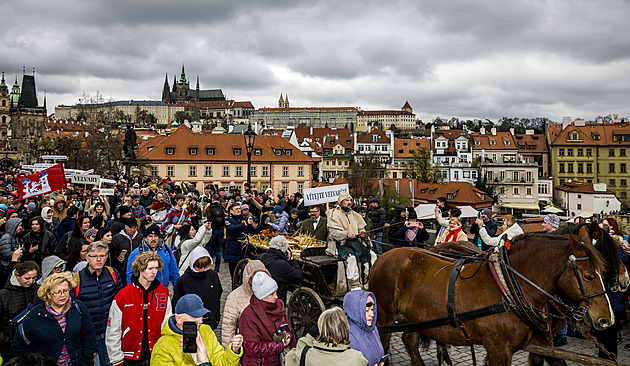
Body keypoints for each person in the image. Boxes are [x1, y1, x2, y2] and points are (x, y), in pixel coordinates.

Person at [11, 272, 97, 366]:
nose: (63, 295)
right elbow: (19, 346)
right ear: (48, 294)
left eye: (65, 290)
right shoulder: (35, 315)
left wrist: (85, 358)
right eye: (57, 292)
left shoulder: (78, 307)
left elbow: (88, 335)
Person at [106, 251, 172, 366]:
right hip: (130, 357)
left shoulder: (163, 293)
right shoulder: (123, 295)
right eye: (150, 268)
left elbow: (167, 324)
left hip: (157, 354)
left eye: (156, 268)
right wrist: (117, 360)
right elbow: (113, 331)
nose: (154, 272)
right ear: (140, 269)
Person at [151, 294, 243, 365]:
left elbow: (219, 360)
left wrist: (233, 351)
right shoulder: (162, 347)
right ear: (178, 319)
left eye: (201, 315)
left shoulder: (206, 331)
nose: (200, 320)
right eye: (194, 316)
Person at [73, 241, 123, 366]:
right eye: (94, 256)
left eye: (102, 256)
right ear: (87, 258)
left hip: (108, 331)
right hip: (87, 333)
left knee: (108, 362)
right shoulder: (76, 279)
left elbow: (121, 301)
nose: (98, 259)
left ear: (107, 257)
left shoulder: (113, 274)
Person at [238, 272, 295, 366]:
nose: (276, 296)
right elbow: (252, 348)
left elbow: (289, 329)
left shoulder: (279, 306)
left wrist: (287, 336)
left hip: (279, 360)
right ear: (262, 296)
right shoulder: (248, 316)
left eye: (276, 292)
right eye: (271, 294)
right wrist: (280, 345)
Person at [285, 307, 368, 366]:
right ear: (345, 329)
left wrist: (310, 336)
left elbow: (289, 359)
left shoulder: (304, 355)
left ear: (320, 328)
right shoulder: (357, 358)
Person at [327, 191, 375, 291]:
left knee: (371, 255)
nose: (349, 202)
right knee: (351, 258)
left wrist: (363, 233)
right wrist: (346, 234)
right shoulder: (334, 214)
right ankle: (354, 285)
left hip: (356, 243)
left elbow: (361, 228)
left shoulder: (355, 215)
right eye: (346, 200)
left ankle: (367, 281)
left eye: (350, 200)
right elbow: (333, 233)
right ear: (341, 202)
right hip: (341, 244)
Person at [221, 260, 271, 348]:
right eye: (255, 276)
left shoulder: (269, 294)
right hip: (244, 347)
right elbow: (228, 327)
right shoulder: (234, 297)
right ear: (248, 277)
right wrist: (229, 351)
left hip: (266, 348)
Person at [172, 247, 222, 329]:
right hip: (191, 322)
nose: (202, 270)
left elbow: (217, 296)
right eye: (199, 267)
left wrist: (216, 316)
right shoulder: (183, 280)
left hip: (210, 320)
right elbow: (176, 302)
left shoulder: (213, 275)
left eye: (205, 266)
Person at [0, 261, 41, 361]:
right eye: (27, 278)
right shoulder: (3, 295)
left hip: (36, 343)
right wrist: (8, 340)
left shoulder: (39, 290)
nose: (31, 281)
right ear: (18, 275)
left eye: (34, 278)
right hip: (10, 347)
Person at [126, 224, 179, 288]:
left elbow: (174, 271)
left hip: (163, 290)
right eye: (150, 236)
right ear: (146, 238)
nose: (153, 239)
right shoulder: (137, 253)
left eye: (155, 236)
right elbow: (130, 275)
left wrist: (177, 288)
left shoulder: (166, 249)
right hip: (144, 291)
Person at [343, 290, 385, 366]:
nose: (372, 314)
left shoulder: (373, 329)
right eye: (366, 310)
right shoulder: (346, 335)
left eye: (372, 309)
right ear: (355, 312)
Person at [258, 236, 303, 304]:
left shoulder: (261, 256)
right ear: (285, 249)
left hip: (260, 295)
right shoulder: (282, 265)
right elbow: (298, 276)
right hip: (275, 300)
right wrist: (291, 260)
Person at [111, 217, 144, 284]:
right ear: (125, 226)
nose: (132, 230)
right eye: (130, 227)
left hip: (137, 268)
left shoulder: (140, 237)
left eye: (134, 227)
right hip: (122, 270)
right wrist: (119, 261)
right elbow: (113, 255)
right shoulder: (117, 238)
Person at [224, 203, 254, 278]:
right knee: (234, 274)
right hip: (232, 249)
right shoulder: (228, 220)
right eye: (236, 209)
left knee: (245, 273)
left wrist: (252, 225)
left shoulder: (244, 219)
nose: (238, 210)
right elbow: (232, 228)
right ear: (231, 211)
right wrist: (244, 224)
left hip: (243, 249)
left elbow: (250, 231)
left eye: (239, 208)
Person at [205, 195, 226, 271]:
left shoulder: (209, 208)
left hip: (212, 229)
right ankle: (217, 267)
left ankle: (207, 265)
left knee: (209, 247)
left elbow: (207, 217)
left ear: (212, 199)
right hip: (221, 229)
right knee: (218, 249)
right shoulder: (221, 208)